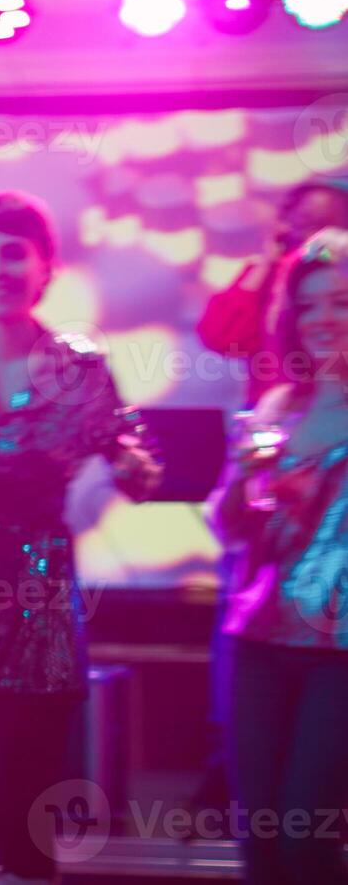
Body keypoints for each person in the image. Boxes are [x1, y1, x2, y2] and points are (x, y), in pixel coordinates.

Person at [0, 191, 163, 885]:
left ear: (45, 265)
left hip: (42, 595)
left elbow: (132, 458)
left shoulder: (81, 367)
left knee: (31, 782)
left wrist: (135, 469)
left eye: (13, 253)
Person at [212, 228, 348, 885]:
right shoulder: (278, 405)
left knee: (306, 842)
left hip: (339, 652)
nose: (324, 319)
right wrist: (244, 481)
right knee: (260, 845)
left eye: (341, 302)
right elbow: (232, 528)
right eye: (312, 305)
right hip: (261, 641)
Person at [200, 178, 348, 404]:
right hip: (277, 415)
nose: (312, 237)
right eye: (302, 222)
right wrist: (266, 265)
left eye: (323, 225)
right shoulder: (266, 275)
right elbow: (224, 338)